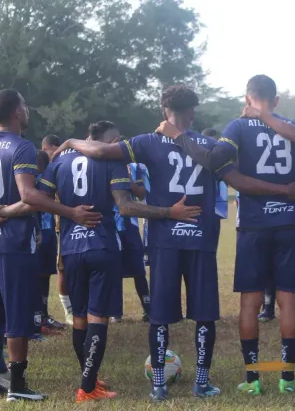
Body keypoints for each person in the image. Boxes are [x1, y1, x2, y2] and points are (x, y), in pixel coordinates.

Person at [55, 84, 295, 400]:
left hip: (163, 240)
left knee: (159, 315)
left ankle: (158, 385)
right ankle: (201, 382)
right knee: (204, 313)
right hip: (201, 238)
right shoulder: (209, 146)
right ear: (193, 111)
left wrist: (71, 142)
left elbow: (101, 151)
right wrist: (285, 189)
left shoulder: (147, 142)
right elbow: (236, 180)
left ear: (163, 111)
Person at [160, 76, 295, 394]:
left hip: (253, 224)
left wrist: (178, 136)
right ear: (276, 101)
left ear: (248, 98)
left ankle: (253, 379)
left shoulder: (237, 127)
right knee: (288, 300)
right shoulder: (290, 127)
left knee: (250, 302)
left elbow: (214, 162)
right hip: (289, 224)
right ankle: (286, 377)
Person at [39, 120, 201, 403]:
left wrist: (68, 212)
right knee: (97, 316)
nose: (118, 145)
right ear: (104, 140)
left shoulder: (60, 163)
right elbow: (126, 207)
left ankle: (88, 379)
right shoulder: (112, 162)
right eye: (115, 140)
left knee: (79, 318)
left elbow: (38, 199)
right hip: (102, 245)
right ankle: (87, 388)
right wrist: (169, 212)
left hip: (71, 248)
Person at [0, 88, 102, 401]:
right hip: (14, 241)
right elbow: (30, 196)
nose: (27, 110)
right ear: (16, 112)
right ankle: (18, 387)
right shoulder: (20, 147)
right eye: (24, 105)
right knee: (18, 315)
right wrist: (71, 212)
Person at [40, 134, 75, 325]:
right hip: (55, 226)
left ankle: (44, 315)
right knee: (61, 268)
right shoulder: (42, 169)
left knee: (48, 271)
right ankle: (66, 311)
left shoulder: (61, 166)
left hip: (54, 226)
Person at [109, 162, 150, 324]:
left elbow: (141, 194)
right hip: (110, 224)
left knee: (138, 269)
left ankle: (148, 308)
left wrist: (128, 180)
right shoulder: (105, 166)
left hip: (129, 225)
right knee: (114, 268)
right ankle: (116, 312)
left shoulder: (136, 168)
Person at [35, 151, 66, 334]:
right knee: (36, 276)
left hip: (49, 231)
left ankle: (43, 316)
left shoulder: (49, 181)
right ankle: (36, 317)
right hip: (38, 232)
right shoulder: (30, 181)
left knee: (45, 274)